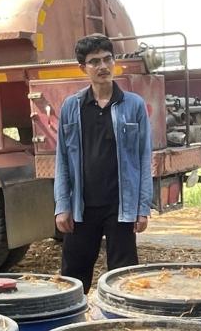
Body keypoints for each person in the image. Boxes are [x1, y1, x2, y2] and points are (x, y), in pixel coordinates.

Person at [53, 35, 153, 290]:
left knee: (123, 279)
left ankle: (122, 328)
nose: (102, 67)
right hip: (82, 207)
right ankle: (69, 325)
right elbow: (63, 159)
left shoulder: (133, 105)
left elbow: (143, 158)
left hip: (121, 206)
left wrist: (142, 208)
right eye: (94, 61)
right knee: (73, 279)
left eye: (107, 59)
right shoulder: (72, 107)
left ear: (114, 61)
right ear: (82, 68)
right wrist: (62, 205)